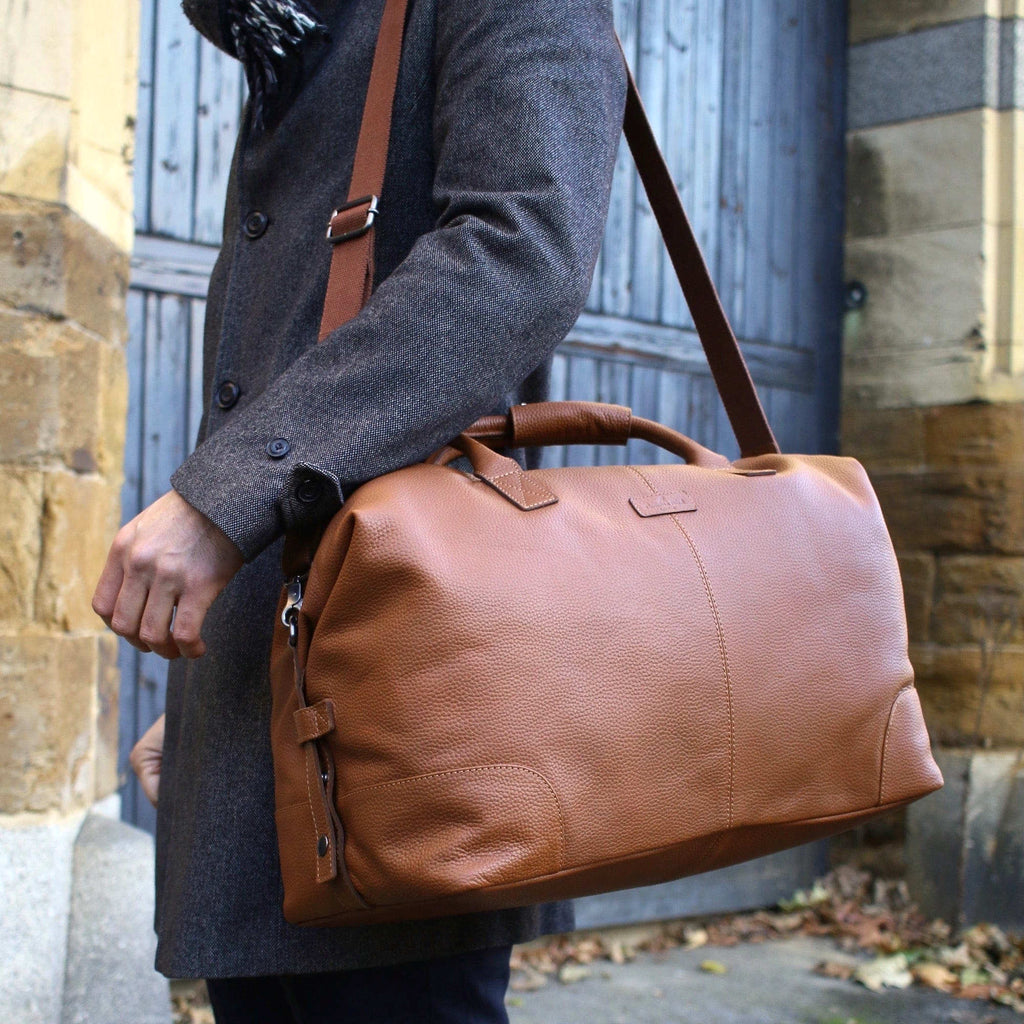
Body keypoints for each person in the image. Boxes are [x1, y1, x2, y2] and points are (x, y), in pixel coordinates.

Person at [92, 0, 625, 1019]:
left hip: (411, 718)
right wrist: (229, 695)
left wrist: (219, 501)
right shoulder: (298, 36)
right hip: (294, 701)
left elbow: (520, 252)